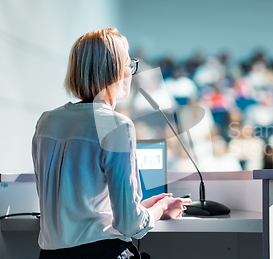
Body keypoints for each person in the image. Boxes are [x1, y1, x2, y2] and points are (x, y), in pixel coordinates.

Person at [32, 28, 191, 259]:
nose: (131, 72)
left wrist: (143, 207)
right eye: (129, 64)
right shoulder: (117, 126)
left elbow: (83, 209)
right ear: (115, 71)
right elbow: (131, 225)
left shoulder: (47, 122)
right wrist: (161, 209)